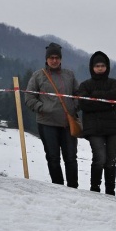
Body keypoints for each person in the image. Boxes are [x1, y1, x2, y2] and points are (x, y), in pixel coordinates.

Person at [25, 43, 79, 187]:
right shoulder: (38, 75)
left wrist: (74, 107)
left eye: (57, 57)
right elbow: (29, 97)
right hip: (47, 123)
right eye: (51, 57)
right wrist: (42, 108)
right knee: (53, 158)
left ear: (60, 59)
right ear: (46, 59)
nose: (54, 60)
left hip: (67, 124)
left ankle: (74, 189)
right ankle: (58, 188)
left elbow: (78, 95)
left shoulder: (69, 75)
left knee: (71, 158)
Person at [75, 51, 116, 195]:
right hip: (93, 129)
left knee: (111, 161)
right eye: (97, 66)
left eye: (102, 65)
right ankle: (94, 190)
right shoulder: (85, 85)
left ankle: (110, 192)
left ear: (107, 67)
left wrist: (94, 97)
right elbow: (84, 104)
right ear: (92, 67)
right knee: (99, 159)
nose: (100, 68)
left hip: (112, 128)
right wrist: (107, 103)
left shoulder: (115, 83)